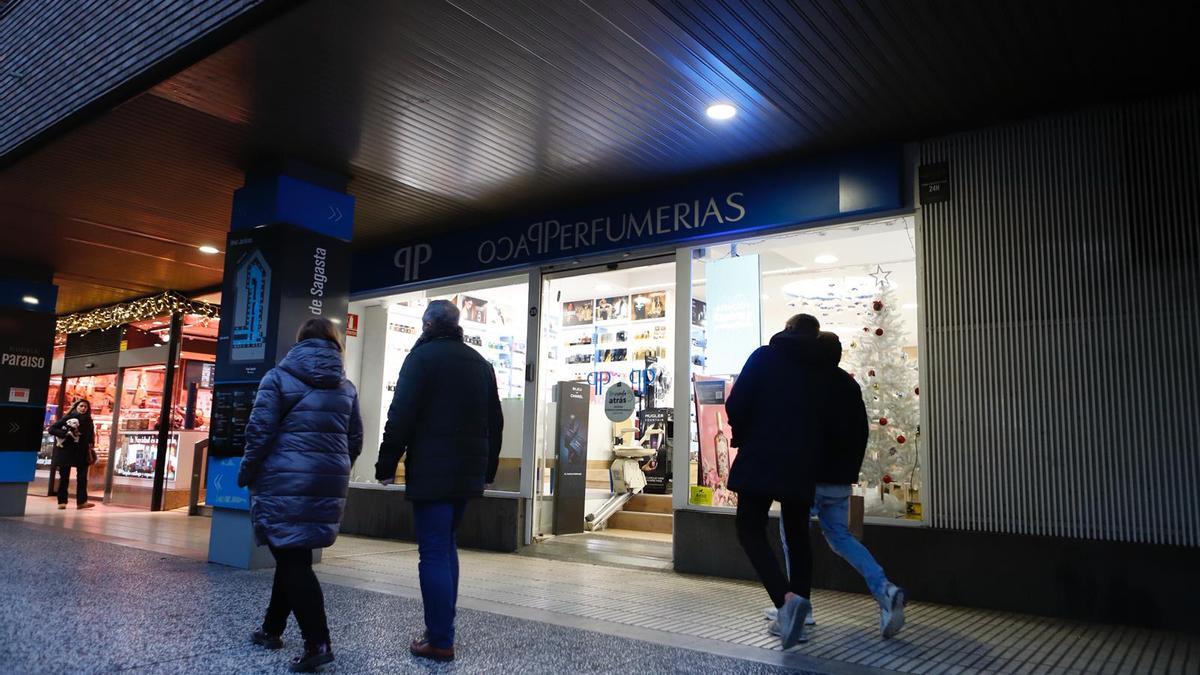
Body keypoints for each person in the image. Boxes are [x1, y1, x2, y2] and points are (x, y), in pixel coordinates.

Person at [376, 299, 503, 663]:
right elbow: (495, 422)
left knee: (433, 550)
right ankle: (441, 631)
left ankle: (440, 639)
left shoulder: (422, 359)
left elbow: (401, 413)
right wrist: (488, 471)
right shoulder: (480, 364)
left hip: (432, 468)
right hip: (466, 472)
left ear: (428, 324)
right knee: (446, 546)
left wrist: (386, 464)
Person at [237, 317, 363, 673]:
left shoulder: (277, 378)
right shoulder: (347, 388)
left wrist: (247, 471)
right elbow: (355, 440)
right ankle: (271, 628)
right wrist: (333, 469)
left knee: (292, 558)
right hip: (326, 481)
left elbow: (258, 432)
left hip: (283, 479)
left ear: (299, 342)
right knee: (294, 553)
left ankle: (317, 642)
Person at [763, 332, 906, 639]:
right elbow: (860, 432)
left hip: (808, 478)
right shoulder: (849, 384)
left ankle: (800, 608)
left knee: (792, 538)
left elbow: (800, 429)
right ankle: (885, 589)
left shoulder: (808, 382)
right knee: (840, 536)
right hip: (840, 481)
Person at [724, 313, 828, 649]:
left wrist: (745, 433)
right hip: (801, 462)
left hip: (762, 457)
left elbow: (736, 402)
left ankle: (786, 603)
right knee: (797, 535)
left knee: (750, 529)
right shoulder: (821, 368)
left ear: (787, 330)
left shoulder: (765, 356)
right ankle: (801, 602)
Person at [48, 400, 96, 510]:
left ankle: (82, 502)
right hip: (66, 451)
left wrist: (91, 443)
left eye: (86, 407)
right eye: (81, 406)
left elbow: (91, 435)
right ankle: (62, 501)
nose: (83, 408)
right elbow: (52, 429)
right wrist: (65, 434)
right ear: (76, 407)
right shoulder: (68, 417)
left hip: (82, 452)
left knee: (82, 478)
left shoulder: (89, 420)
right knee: (64, 477)